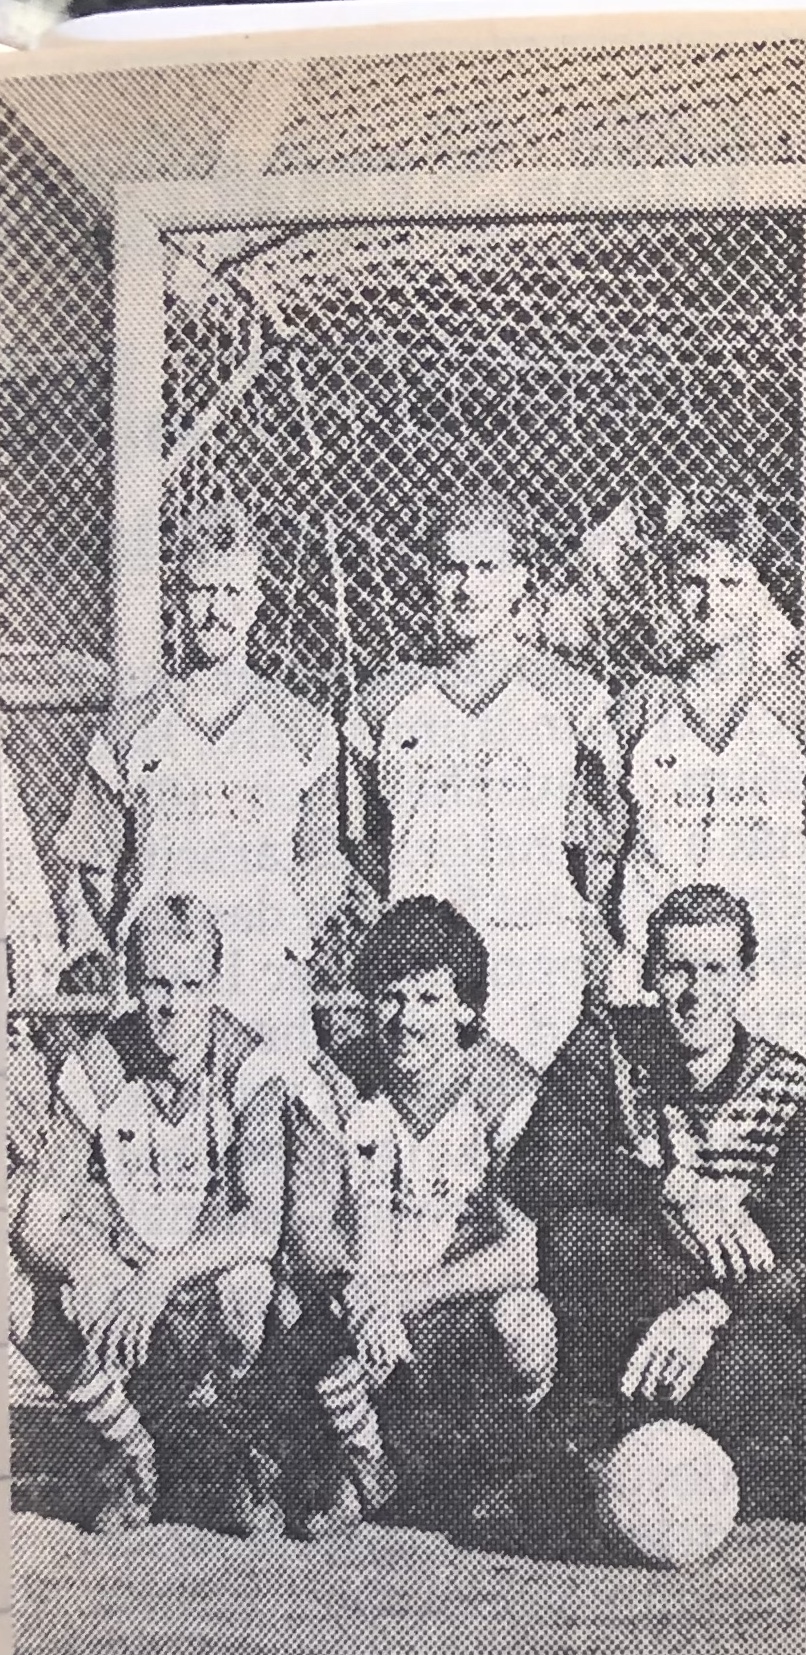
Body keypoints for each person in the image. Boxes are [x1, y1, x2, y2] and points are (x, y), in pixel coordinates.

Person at [508, 884, 806, 1529]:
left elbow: (803, 1247)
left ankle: (729, 1469)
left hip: (726, 1318)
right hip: (624, 1303)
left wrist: (706, 1310)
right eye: (677, 969)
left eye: (715, 970)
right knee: (577, 1237)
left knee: (757, 1363)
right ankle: (584, 1457)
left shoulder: (797, 1090)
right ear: (648, 974)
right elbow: (536, 1168)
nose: (696, 993)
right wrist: (668, 1187)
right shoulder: (606, 1046)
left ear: (746, 977)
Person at [267, 897, 551, 1538]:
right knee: (288, 1301)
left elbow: (525, 1252)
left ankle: (495, 1463)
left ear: (466, 1008)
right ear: (369, 1001)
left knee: (526, 1323)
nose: (406, 1020)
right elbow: (306, 1227)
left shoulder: (509, 1088)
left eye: (428, 999)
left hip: (455, 1317)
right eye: (391, 998)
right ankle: (365, 1458)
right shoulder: (332, 1080)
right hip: (362, 1319)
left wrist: (400, 1295)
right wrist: (358, 1297)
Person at [15, 899, 290, 1535]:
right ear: (132, 985)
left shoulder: (249, 1066)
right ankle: (129, 1443)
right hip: (124, 1291)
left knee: (249, 1286)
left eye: (191, 986)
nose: (174, 1007)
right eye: (158, 985)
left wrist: (162, 1275)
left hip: (195, 1290)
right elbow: (37, 1220)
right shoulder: (98, 1065)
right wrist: (90, 1261)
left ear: (215, 985)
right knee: (13, 1286)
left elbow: (261, 1223)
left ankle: (224, 1439)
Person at [58, 499, 346, 1065]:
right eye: (201, 590)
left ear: (256, 601)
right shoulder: (129, 728)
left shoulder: (302, 728)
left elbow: (322, 864)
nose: (217, 609)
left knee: (265, 1117)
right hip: (161, 992)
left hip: (262, 984)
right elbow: (93, 866)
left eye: (232, 592)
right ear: (176, 596)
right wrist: (143, 940)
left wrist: (283, 940)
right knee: (158, 1120)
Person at [347, 491, 618, 1065]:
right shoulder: (383, 702)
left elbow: (606, 834)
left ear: (519, 578)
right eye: (453, 567)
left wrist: (582, 921)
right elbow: (362, 840)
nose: (468, 587)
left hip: (533, 955)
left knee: (529, 1112)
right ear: (431, 576)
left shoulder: (573, 697)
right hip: (423, 964)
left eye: (487, 568)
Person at [608, 502, 806, 1057]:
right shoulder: (637, 708)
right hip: (663, 974)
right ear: (670, 591)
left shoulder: (804, 703)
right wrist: (620, 948)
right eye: (694, 582)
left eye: (731, 582)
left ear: (759, 588)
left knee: (777, 1099)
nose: (712, 600)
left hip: (770, 968)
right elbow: (604, 853)